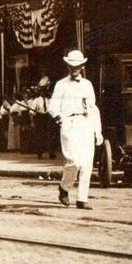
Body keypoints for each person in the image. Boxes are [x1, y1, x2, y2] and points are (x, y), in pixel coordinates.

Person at [48, 50, 103, 210]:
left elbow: (93, 108)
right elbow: (52, 106)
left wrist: (97, 131)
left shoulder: (88, 85)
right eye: (71, 66)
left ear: (82, 67)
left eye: (77, 66)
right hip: (69, 123)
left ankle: (82, 198)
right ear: (68, 67)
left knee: (87, 163)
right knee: (74, 161)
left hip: (86, 124)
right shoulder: (61, 84)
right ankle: (64, 187)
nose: (74, 69)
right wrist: (58, 116)